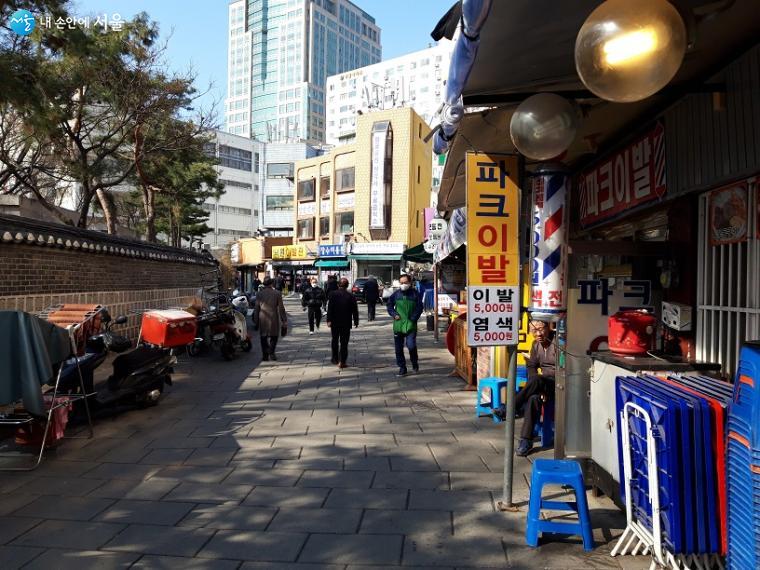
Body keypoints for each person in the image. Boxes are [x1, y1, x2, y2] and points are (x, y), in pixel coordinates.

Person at [515, 319, 556, 457]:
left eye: (540, 329)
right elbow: (531, 366)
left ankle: (511, 407)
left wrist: (542, 386)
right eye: (534, 330)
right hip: (542, 384)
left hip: (559, 385)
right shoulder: (535, 345)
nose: (538, 333)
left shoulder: (559, 342)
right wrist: (540, 389)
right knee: (533, 398)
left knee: (537, 379)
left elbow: (564, 370)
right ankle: (526, 440)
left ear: (548, 327)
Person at [387, 274, 423, 376]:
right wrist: (394, 314)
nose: (403, 285)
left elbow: (419, 307)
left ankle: (414, 363)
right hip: (398, 325)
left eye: (405, 282)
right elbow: (389, 305)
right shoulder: (396, 294)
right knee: (398, 348)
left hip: (411, 325)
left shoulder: (415, 294)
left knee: (411, 346)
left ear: (410, 283)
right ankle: (402, 367)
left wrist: (413, 318)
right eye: (401, 283)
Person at [326, 277, 358, 368]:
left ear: (338, 285)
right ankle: (342, 361)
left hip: (334, 322)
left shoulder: (332, 294)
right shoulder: (351, 296)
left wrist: (329, 320)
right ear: (347, 285)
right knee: (344, 343)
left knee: (334, 340)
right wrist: (356, 321)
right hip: (346, 323)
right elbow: (355, 310)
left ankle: (335, 359)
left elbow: (330, 308)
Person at [253, 277, 288, 361]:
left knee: (263, 337)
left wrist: (256, 321)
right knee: (274, 336)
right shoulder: (277, 293)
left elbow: (256, 308)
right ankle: (271, 353)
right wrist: (284, 319)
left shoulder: (259, 294)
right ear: (272, 284)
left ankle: (265, 356)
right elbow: (281, 308)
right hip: (273, 317)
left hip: (263, 317)